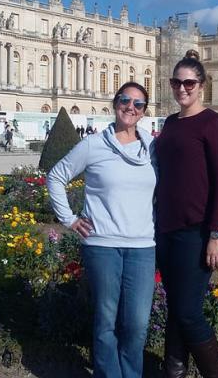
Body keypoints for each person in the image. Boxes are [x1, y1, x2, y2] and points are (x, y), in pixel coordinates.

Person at [47, 82, 157, 378]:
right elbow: (56, 176)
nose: (130, 107)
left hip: (143, 246)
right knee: (106, 319)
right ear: (115, 103)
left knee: (136, 323)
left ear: (144, 112)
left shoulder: (152, 147)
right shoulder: (93, 145)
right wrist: (69, 219)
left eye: (138, 104)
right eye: (125, 100)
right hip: (102, 245)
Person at [155, 50, 218, 378]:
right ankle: (173, 372)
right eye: (177, 82)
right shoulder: (171, 123)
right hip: (166, 229)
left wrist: (216, 234)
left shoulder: (214, 124)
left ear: (201, 85)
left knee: (188, 313)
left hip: (196, 230)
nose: (182, 88)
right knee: (175, 308)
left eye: (189, 82)